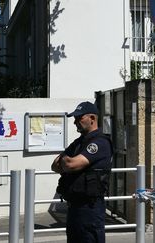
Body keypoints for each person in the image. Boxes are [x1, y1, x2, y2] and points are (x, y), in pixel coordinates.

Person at [51, 101, 112, 243]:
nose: (75, 122)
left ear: (92, 118)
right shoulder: (79, 142)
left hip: (90, 209)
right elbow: (54, 165)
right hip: (74, 208)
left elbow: (71, 165)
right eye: (75, 119)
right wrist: (66, 161)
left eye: (79, 118)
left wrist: (65, 159)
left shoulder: (100, 143)